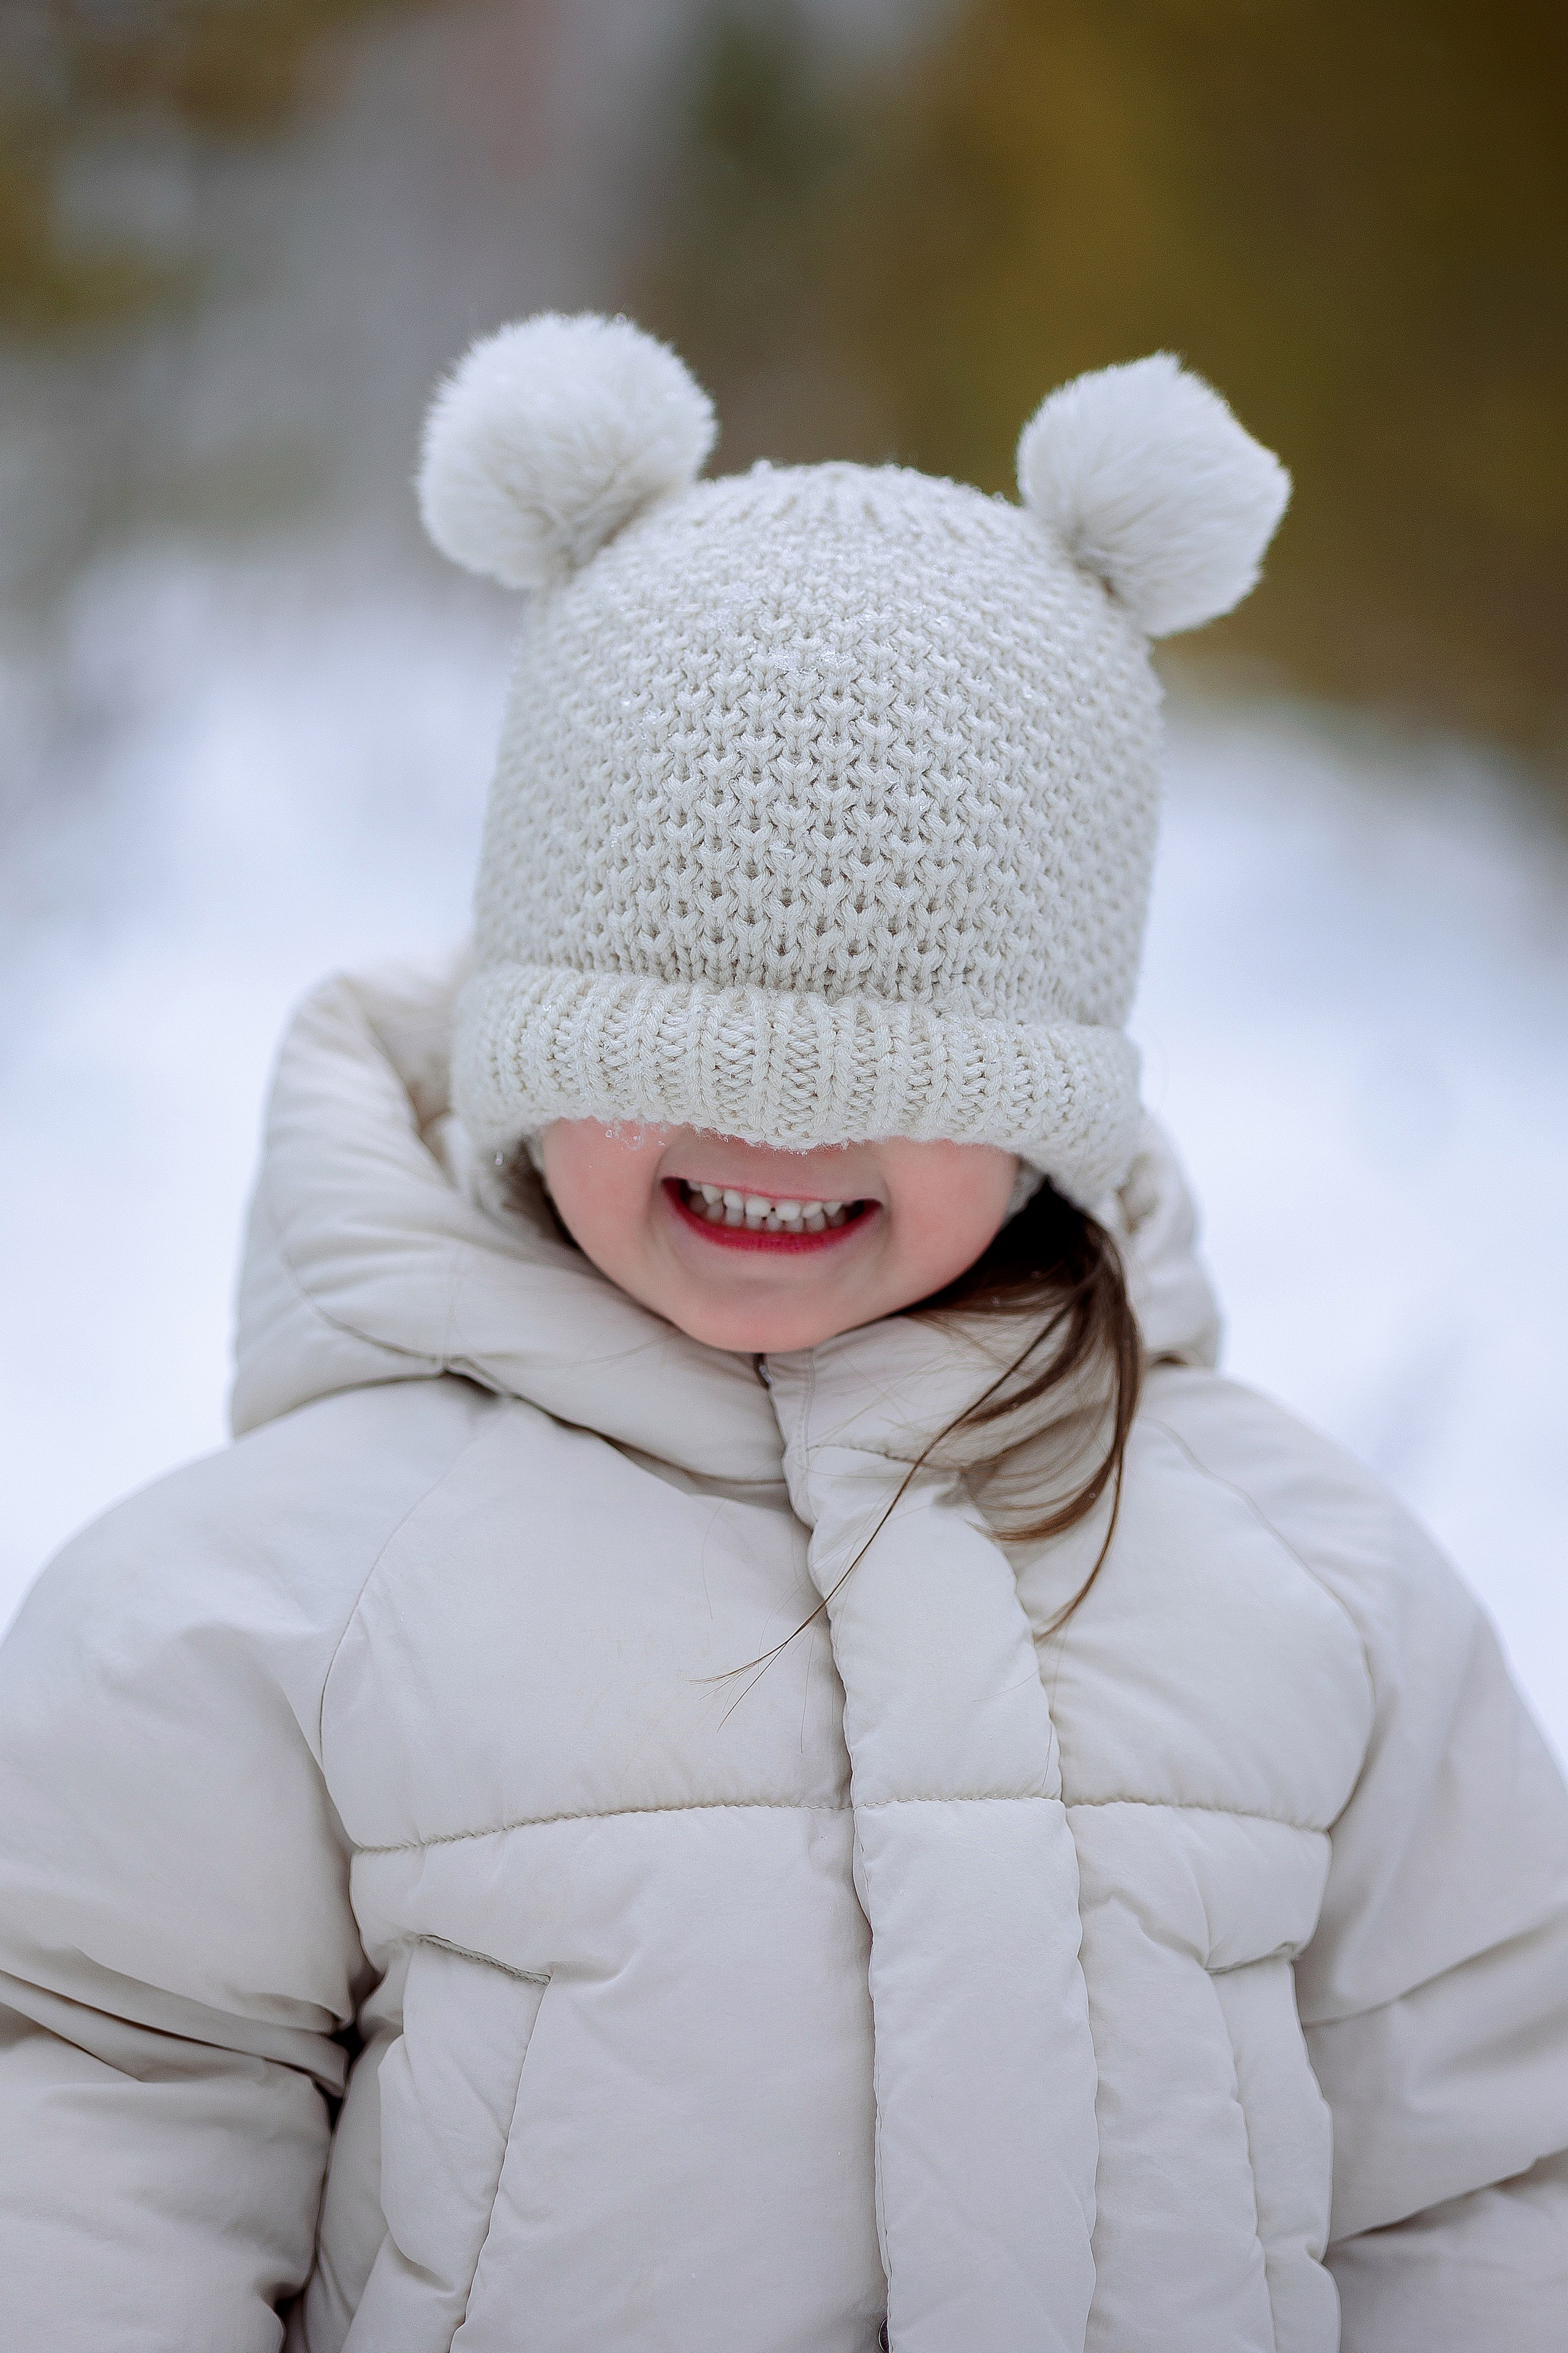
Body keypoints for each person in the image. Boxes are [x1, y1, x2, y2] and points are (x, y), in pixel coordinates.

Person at [1, 314, 1565, 2353]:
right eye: (677, 1043)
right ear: (532, 1048)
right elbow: (92, 2118)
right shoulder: (268, 1595)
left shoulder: (1316, 1586)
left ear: (1046, 1109)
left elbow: (1484, 2167)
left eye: (905, 1062)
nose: (784, 1124)